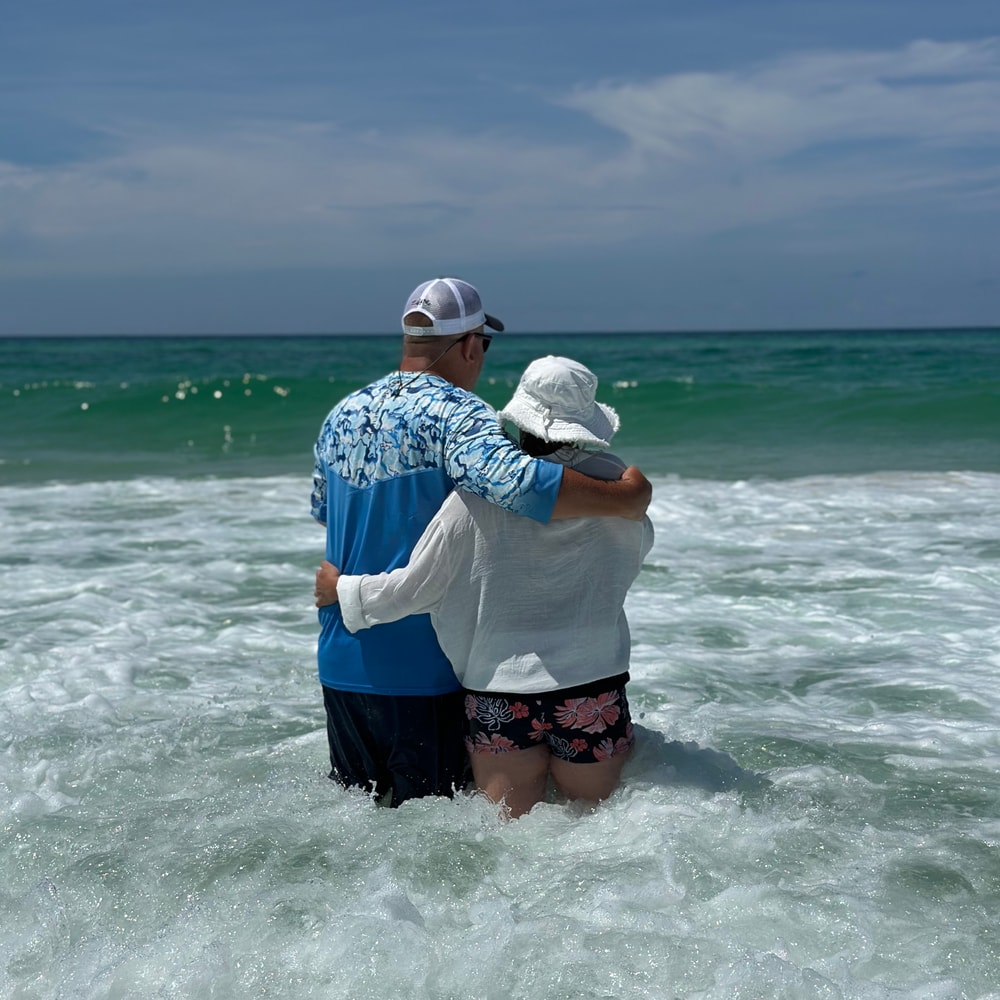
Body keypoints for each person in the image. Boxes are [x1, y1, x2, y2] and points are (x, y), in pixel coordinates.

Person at [311, 278, 651, 807]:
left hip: (342, 658)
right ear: (471, 345)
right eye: (484, 347)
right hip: (425, 669)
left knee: (365, 846)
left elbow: (324, 513)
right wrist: (625, 497)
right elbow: (517, 486)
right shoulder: (459, 413)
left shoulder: (341, 415)